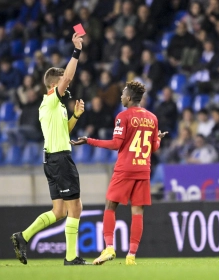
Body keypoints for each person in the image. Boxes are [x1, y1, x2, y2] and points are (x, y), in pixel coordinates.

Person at [70, 81, 168, 265]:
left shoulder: (123, 117)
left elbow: (116, 144)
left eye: (123, 94)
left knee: (110, 206)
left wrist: (89, 141)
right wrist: (159, 139)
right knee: (137, 211)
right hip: (143, 169)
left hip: (125, 168)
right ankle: (131, 256)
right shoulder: (152, 118)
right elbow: (153, 147)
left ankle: (109, 248)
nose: (121, 96)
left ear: (129, 98)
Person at [10, 33, 88, 266]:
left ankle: (22, 237)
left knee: (59, 211)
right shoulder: (52, 99)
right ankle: (71, 257)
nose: (68, 82)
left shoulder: (55, 107)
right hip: (60, 160)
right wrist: (77, 51)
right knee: (76, 207)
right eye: (64, 80)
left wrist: (76, 115)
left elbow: (65, 130)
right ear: (55, 84)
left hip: (51, 159)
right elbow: (69, 74)